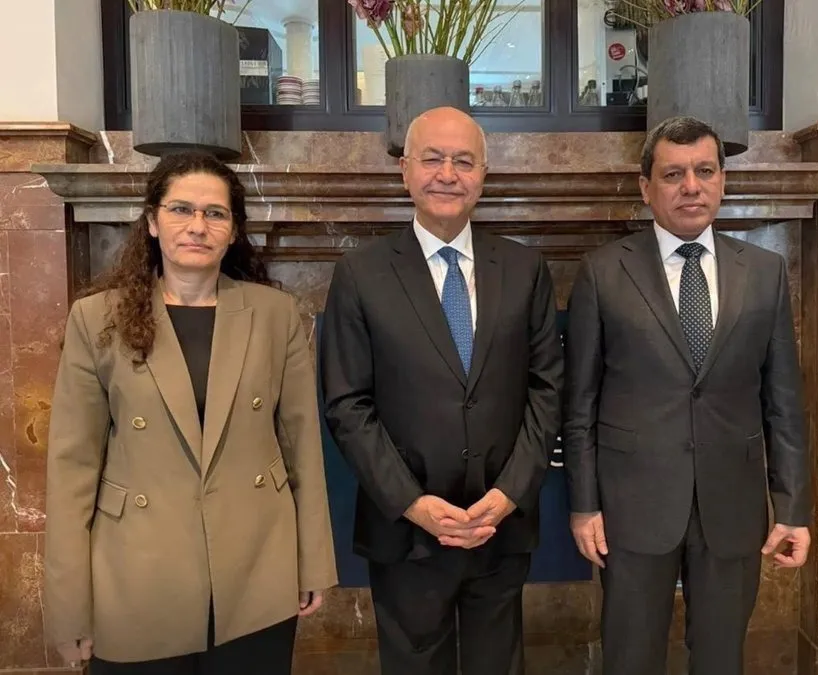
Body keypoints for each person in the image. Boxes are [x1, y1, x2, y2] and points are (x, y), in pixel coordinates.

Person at [44, 151, 338, 674]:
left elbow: (302, 447)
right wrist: (69, 604)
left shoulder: (275, 315)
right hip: (136, 574)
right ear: (153, 221)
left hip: (255, 568)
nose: (197, 226)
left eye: (215, 213)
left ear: (233, 230)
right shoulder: (97, 318)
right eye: (181, 209)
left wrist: (313, 561)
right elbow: (72, 470)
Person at [562, 116, 811, 675]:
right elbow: (578, 406)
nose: (691, 186)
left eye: (704, 171)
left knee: (721, 658)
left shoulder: (765, 273)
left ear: (723, 180)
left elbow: (783, 403)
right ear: (646, 187)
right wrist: (584, 504)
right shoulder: (603, 273)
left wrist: (793, 508)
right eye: (673, 174)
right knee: (630, 657)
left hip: (732, 505)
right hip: (633, 507)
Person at [320, 106, 563, 675]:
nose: (447, 174)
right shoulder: (361, 273)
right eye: (432, 159)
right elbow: (347, 404)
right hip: (406, 529)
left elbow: (547, 388)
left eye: (463, 161)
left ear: (483, 174)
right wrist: (413, 503)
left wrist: (510, 493)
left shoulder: (525, 268)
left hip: (499, 522)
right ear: (405, 170)